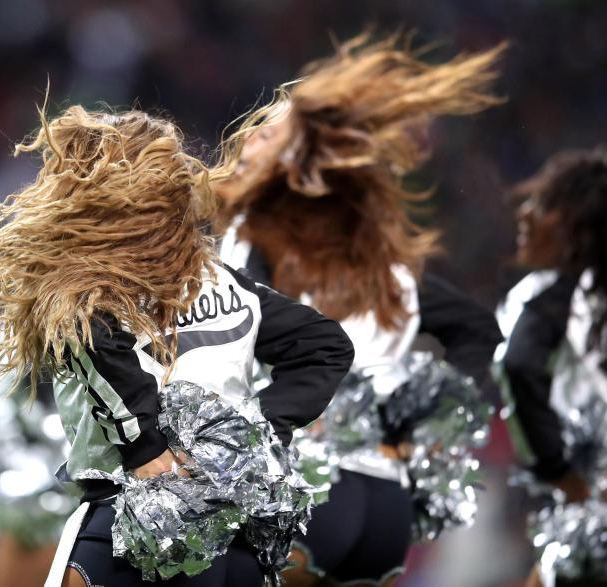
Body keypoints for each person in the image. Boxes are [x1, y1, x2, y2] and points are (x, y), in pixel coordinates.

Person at [0, 104, 354, 586]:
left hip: (131, 525)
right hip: (236, 537)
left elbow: (92, 336)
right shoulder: (227, 285)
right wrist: (250, 432)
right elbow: (328, 346)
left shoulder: (87, 285)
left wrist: (144, 442)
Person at [215, 34, 505, 586]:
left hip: (308, 489)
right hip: (385, 506)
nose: (250, 135)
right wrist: (424, 423)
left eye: (268, 131)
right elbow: (478, 332)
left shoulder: (263, 237)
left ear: (293, 159)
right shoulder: (385, 266)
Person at [496, 147, 607, 587]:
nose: (523, 213)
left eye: (542, 204)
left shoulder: (553, 296)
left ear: (575, 223)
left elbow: (518, 366)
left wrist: (558, 471)